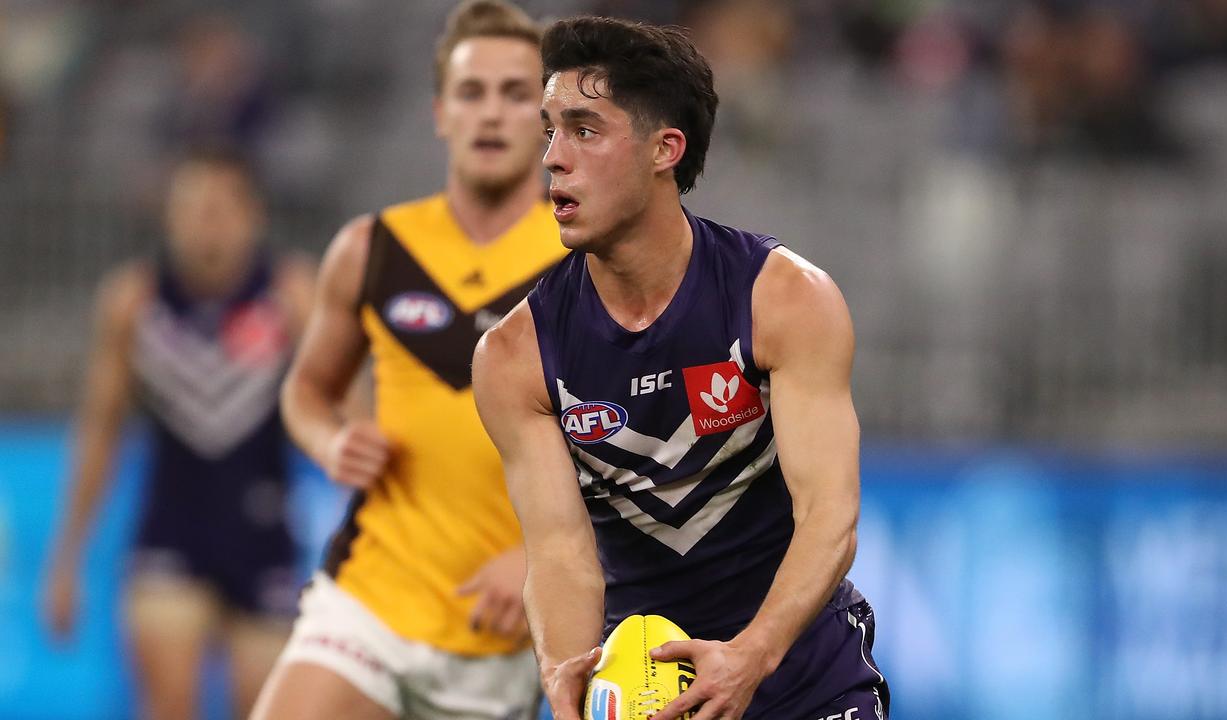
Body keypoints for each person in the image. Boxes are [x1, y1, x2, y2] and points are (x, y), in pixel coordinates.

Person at [473, 16, 890, 720]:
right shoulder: (516, 356)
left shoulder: (782, 299)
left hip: (801, 679)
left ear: (666, 149)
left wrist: (751, 655)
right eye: (549, 129)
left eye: (584, 129)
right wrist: (563, 673)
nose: (551, 157)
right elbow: (562, 552)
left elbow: (830, 517)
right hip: (650, 698)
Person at [250, 2, 565, 719]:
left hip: (503, 629)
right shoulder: (373, 248)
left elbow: (629, 446)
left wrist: (545, 563)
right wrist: (332, 439)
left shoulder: (584, 265)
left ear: (546, 119)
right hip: (371, 596)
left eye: (516, 94)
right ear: (439, 112)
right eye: (471, 92)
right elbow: (305, 391)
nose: (491, 113)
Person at [43, 146, 316, 720]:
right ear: (168, 218)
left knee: (265, 708)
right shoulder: (135, 302)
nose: (206, 225)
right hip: (171, 531)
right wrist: (66, 557)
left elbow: (350, 418)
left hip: (264, 534)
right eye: (191, 210)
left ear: (253, 216)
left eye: (220, 209)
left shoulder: (290, 297)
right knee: (167, 705)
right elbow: (99, 431)